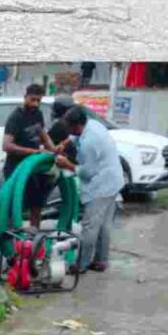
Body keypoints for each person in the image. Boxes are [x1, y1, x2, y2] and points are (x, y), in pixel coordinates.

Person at [56, 106, 124, 273]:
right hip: (114, 179)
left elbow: (87, 173)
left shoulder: (89, 143)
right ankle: (101, 261)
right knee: (104, 225)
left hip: (102, 184)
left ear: (77, 125)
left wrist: (67, 164)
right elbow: (76, 136)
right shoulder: (93, 124)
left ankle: (81, 264)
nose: (69, 131)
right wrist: (66, 142)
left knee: (89, 226)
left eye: (69, 128)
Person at [2, 83, 58, 229]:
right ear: (25, 97)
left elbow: (43, 135)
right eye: (32, 99)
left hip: (34, 168)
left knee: (36, 204)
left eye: (39, 100)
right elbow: (6, 145)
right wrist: (34, 152)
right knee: (16, 205)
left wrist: (54, 149)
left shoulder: (37, 114)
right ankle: (12, 239)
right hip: (16, 169)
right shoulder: (16, 117)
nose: (35, 103)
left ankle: (33, 237)